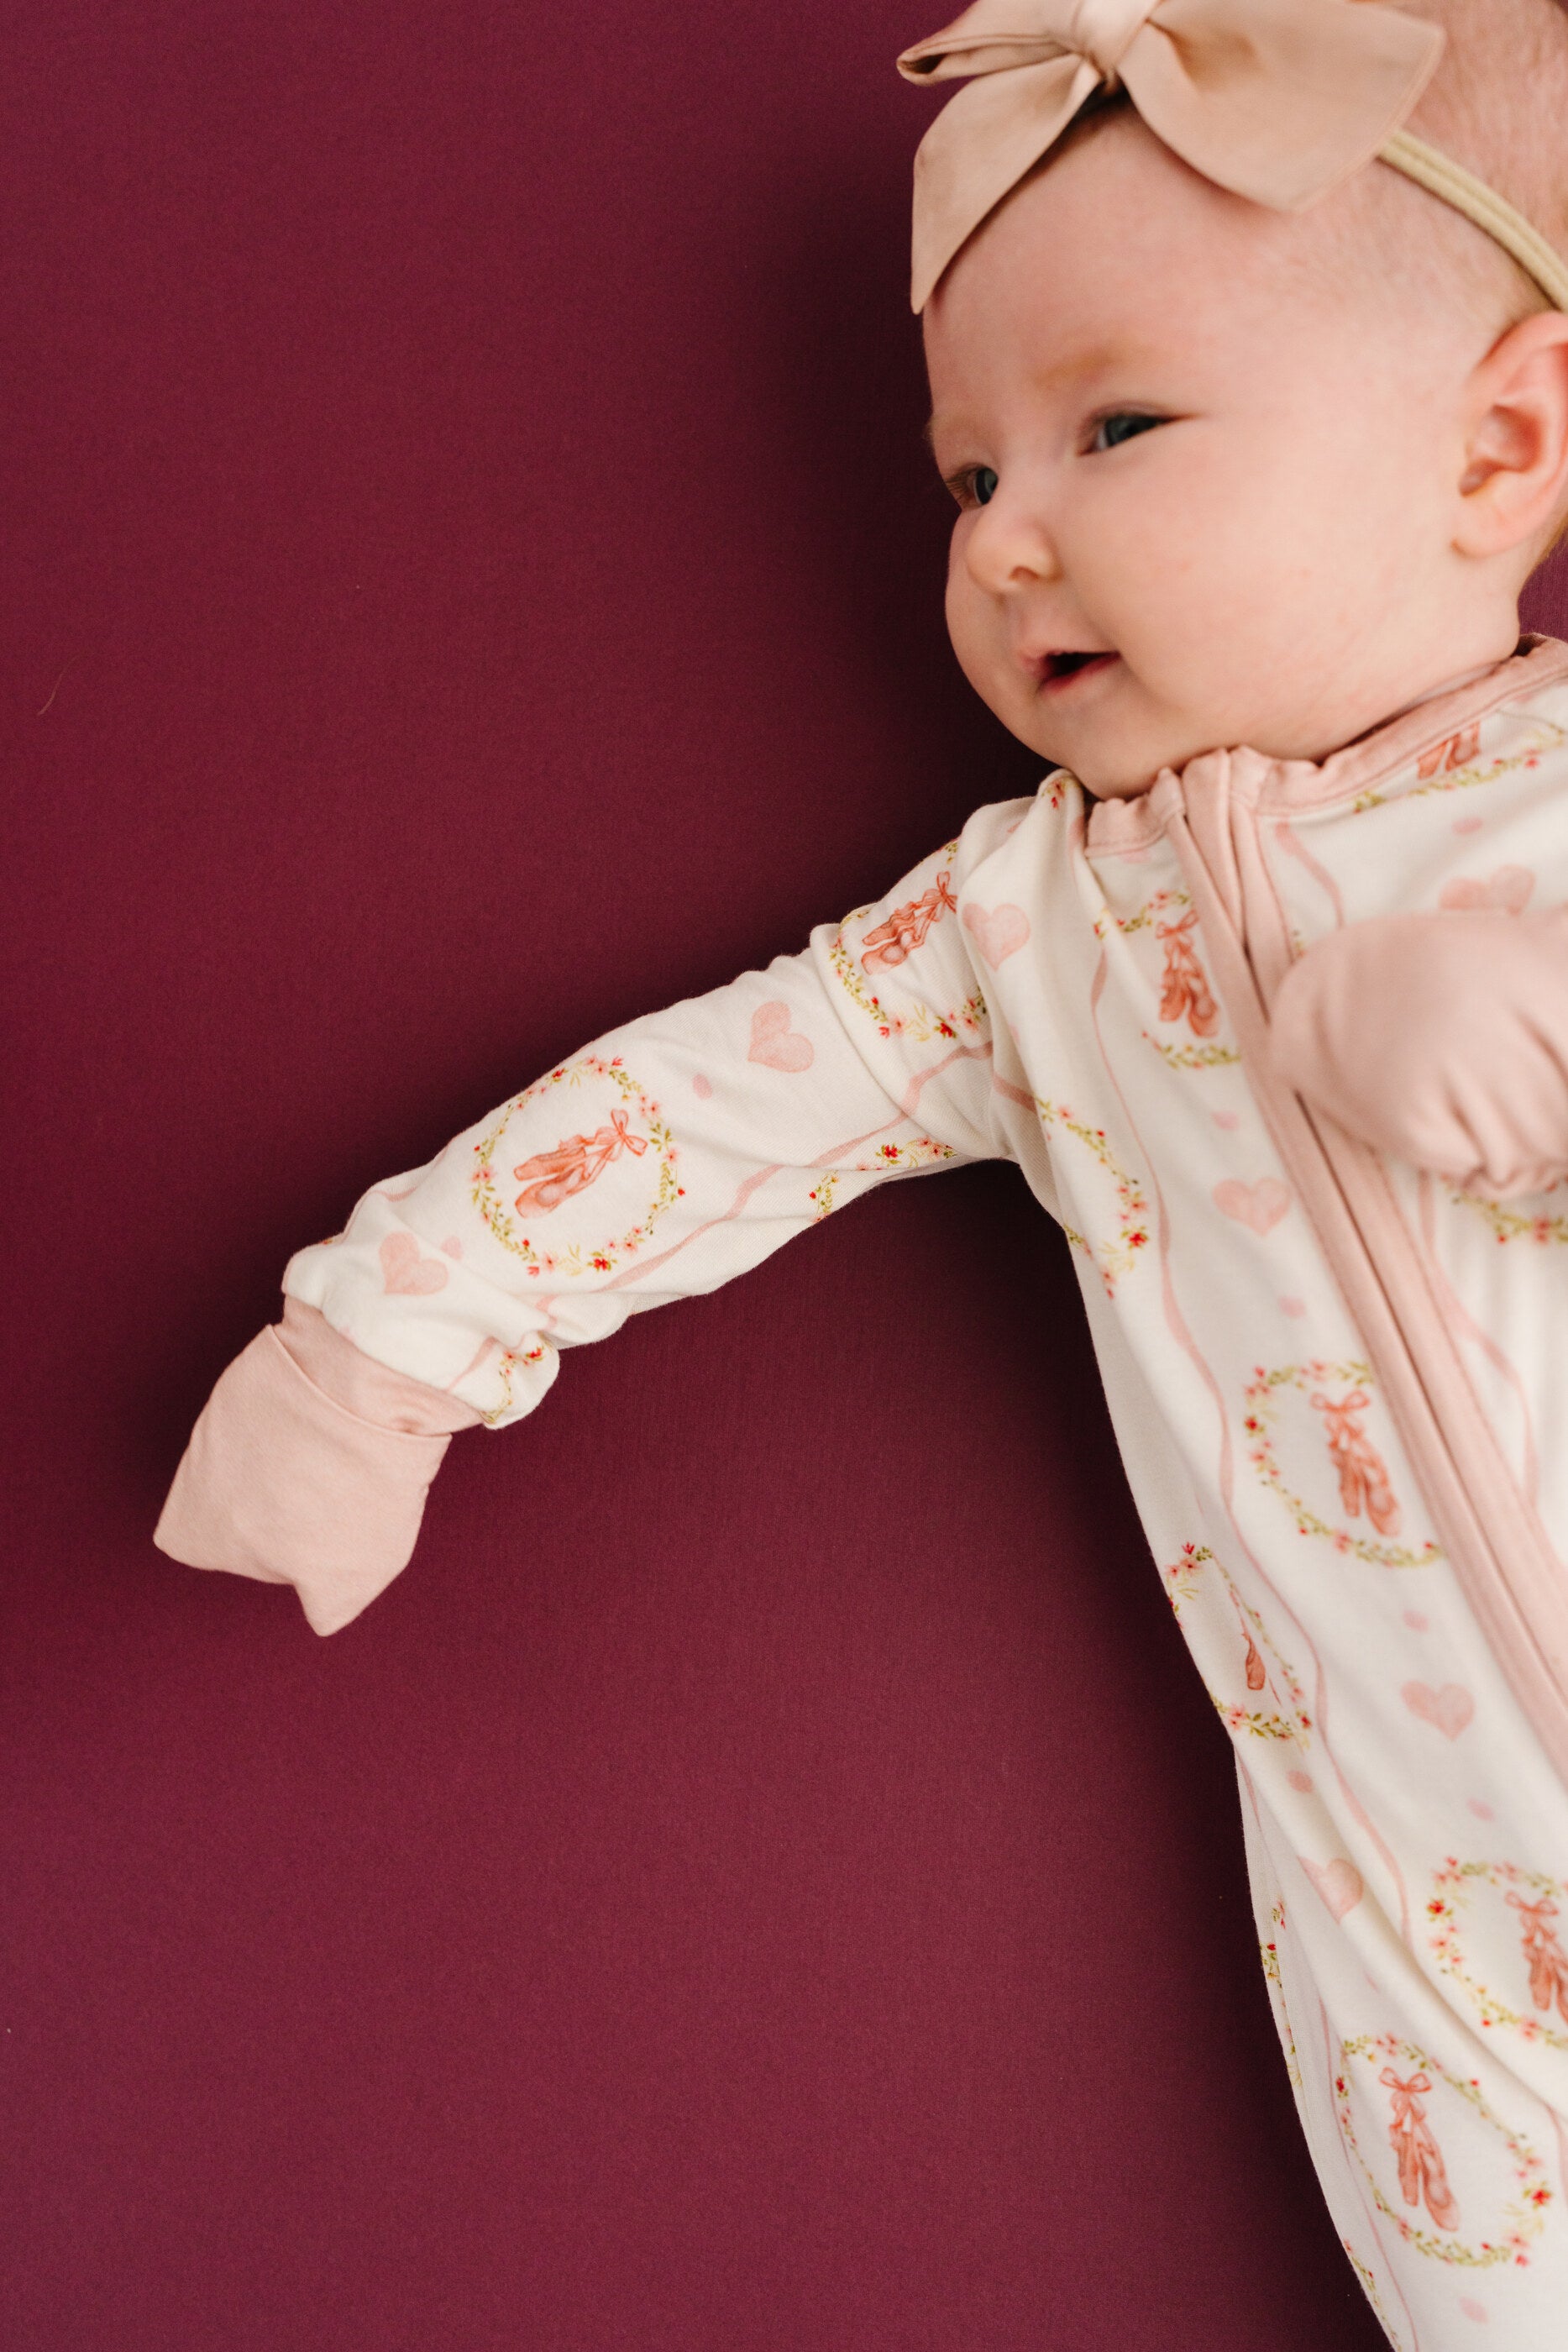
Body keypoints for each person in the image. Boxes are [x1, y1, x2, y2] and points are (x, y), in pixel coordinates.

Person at [154, 2, 1568, 2339]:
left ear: (1497, 444)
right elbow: (707, 1106)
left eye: (1114, 426)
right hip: (1418, 1944)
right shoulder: (1024, 933)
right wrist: (379, 1348)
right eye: (964, 475)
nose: (1004, 537)